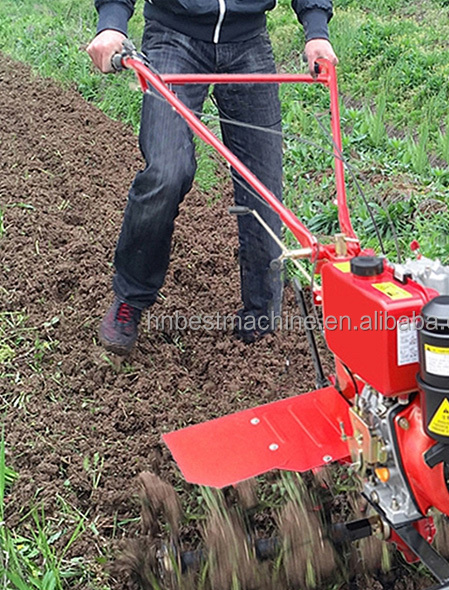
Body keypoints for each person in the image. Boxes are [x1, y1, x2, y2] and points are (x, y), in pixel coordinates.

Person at [88, 0, 337, 354]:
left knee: (263, 188)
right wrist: (112, 23)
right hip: (174, 38)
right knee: (167, 171)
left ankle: (261, 324)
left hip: (248, 39)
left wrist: (316, 30)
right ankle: (130, 297)